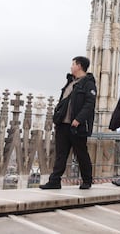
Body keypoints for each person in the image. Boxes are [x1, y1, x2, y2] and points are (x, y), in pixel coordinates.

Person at [40, 56, 96, 190]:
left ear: (79, 66)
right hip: (63, 124)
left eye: (73, 64)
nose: (71, 67)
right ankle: (54, 181)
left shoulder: (88, 83)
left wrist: (79, 119)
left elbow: (89, 104)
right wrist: (57, 118)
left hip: (77, 125)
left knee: (81, 153)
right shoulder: (70, 82)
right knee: (60, 154)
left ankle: (87, 180)